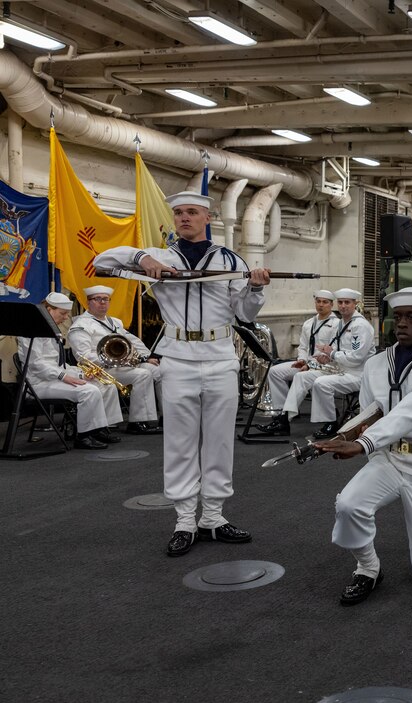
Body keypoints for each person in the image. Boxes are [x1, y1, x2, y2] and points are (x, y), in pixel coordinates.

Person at [94, 192, 270, 557]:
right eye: (178, 213)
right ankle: (185, 521)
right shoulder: (160, 257)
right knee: (179, 441)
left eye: (192, 212)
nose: (184, 218)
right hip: (177, 358)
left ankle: (214, 518)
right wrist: (142, 258)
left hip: (220, 357)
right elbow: (102, 259)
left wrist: (255, 286)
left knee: (219, 440)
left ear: (208, 217)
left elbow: (246, 314)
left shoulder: (230, 260)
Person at [315, 286, 412, 606]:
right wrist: (344, 435)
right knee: (349, 505)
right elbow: (371, 411)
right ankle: (368, 568)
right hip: (388, 458)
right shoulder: (375, 364)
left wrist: (361, 443)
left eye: (411, 317)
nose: (401, 323)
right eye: (397, 317)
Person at [16, 292, 124, 450]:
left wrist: (82, 373)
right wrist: (64, 376)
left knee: (103, 385)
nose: (66, 318)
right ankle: (84, 436)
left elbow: (58, 364)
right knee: (89, 391)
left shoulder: (51, 330)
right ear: (48, 309)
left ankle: (98, 429)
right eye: (63, 313)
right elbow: (36, 364)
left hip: (52, 378)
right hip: (37, 384)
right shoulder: (30, 330)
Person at [67, 284, 161, 435]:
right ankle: (138, 421)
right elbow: (82, 356)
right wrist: (111, 359)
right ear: (88, 302)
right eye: (97, 299)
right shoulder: (81, 325)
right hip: (100, 370)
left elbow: (132, 340)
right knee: (143, 375)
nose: (102, 302)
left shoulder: (115, 322)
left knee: (157, 370)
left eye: (106, 299)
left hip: (118, 366)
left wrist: (146, 356)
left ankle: (161, 416)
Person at [256, 289, 339, 436]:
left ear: (331, 305)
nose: (321, 305)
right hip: (306, 364)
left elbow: (332, 353)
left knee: (302, 377)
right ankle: (280, 412)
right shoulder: (309, 323)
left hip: (326, 366)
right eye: (318, 301)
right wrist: (301, 360)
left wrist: (310, 365)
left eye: (325, 302)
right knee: (275, 371)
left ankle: (284, 419)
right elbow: (303, 347)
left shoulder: (336, 325)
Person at [304, 288, 375, 438]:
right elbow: (338, 348)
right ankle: (330, 417)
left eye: (347, 302)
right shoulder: (343, 323)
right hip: (344, 370)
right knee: (311, 378)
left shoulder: (360, 326)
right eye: (340, 302)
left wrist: (332, 354)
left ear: (355, 304)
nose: (343, 306)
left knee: (321, 383)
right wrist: (327, 357)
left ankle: (331, 422)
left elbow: (357, 357)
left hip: (359, 374)